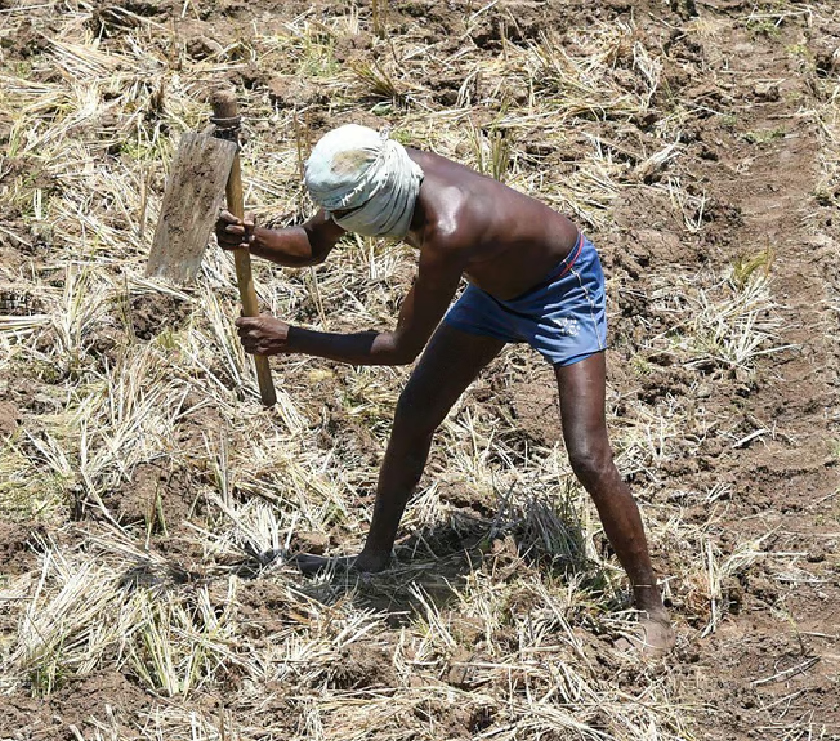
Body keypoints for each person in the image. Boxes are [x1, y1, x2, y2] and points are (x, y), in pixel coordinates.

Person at [215, 124, 673, 652]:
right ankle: (373, 556)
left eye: (348, 221)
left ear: (376, 204)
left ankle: (649, 604)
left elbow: (398, 348)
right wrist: (256, 239)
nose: (340, 226)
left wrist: (292, 337)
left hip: (561, 287)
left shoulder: (449, 228)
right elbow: (313, 244)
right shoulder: (369, 172)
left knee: (588, 454)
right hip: (491, 291)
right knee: (414, 416)